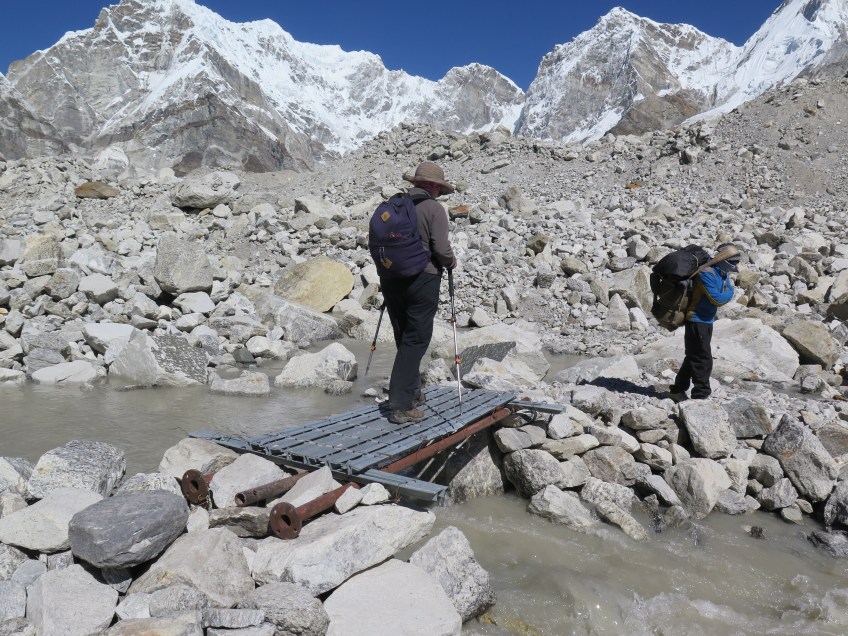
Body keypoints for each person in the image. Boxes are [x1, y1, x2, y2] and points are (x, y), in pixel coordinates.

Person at [380, 161, 456, 424]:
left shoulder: (395, 204)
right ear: (434, 186)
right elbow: (440, 247)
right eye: (439, 188)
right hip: (422, 278)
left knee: (403, 335)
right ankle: (400, 406)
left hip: (391, 278)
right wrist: (451, 262)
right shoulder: (434, 209)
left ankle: (412, 391)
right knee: (417, 338)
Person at [669, 243, 740, 401]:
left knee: (693, 355)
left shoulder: (721, 271)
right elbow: (718, 299)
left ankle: (677, 390)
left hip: (706, 320)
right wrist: (731, 291)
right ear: (724, 259)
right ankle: (701, 394)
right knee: (703, 358)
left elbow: (724, 291)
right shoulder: (706, 273)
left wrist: (727, 290)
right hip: (696, 320)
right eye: (733, 262)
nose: (734, 266)